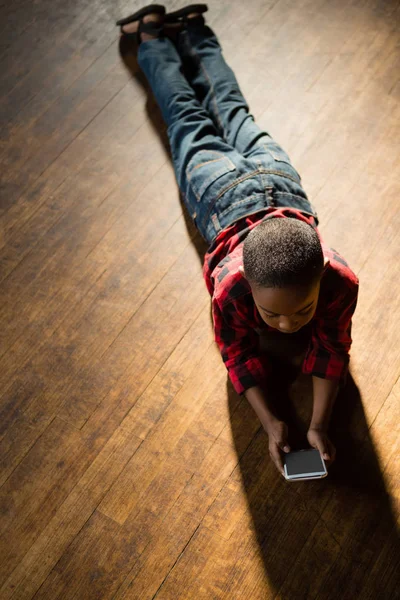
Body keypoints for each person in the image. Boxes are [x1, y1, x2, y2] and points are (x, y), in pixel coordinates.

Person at [116, 3, 359, 475]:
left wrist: (316, 425)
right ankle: (152, 38)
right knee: (187, 112)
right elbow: (241, 352)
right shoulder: (232, 286)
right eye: (272, 314)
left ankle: (189, 28)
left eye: (301, 310)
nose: (287, 326)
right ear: (248, 281)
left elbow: (329, 348)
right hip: (219, 190)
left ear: (322, 273)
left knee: (224, 106)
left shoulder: (337, 279)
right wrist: (270, 421)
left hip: (276, 175)